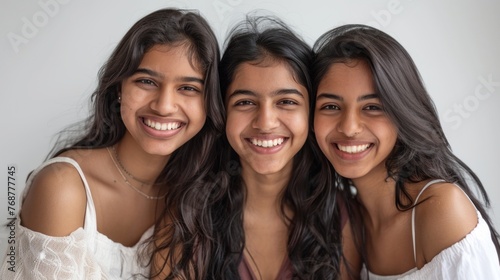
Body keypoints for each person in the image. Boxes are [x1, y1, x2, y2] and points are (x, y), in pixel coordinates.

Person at [0, 8, 223, 280]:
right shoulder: (62, 187)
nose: (164, 106)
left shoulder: (192, 198)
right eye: (146, 81)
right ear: (119, 88)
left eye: (188, 88)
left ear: (209, 102)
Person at [312, 24, 500, 279]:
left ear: (402, 112)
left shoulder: (441, 209)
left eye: (372, 107)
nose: (349, 128)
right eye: (331, 106)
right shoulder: (348, 220)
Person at [200, 16, 357, 279]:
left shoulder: (342, 217)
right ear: (221, 110)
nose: (265, 123)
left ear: (311, 113)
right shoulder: (191, 212)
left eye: (286, 101)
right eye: (245, 102)